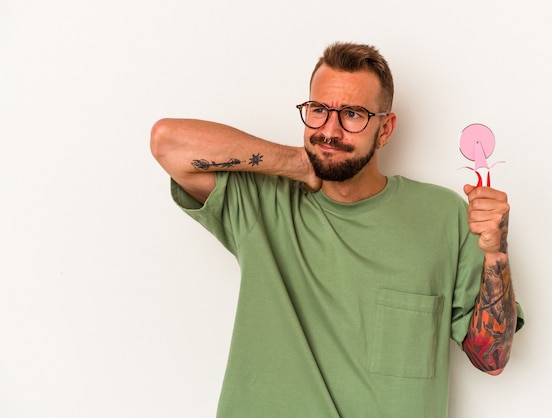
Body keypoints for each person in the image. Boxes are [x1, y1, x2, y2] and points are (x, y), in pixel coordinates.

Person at [150, 41, 524, 418]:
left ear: (385, 129)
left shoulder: (443, 215)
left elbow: (490, 358)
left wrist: (496, 255)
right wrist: (295, 162)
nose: (330, 130)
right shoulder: (263, 202)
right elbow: (167, 141)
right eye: (318, 110)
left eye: (352, 114)